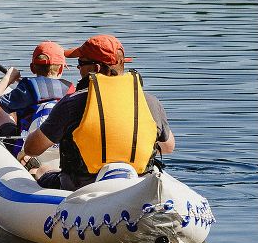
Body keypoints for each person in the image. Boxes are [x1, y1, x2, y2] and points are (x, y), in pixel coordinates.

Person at [23, 34, 175, 191]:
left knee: (42, 170)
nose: (79, 69)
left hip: (82, 187)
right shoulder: (150, 102)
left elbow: (32, 149)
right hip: (137, 184)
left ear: (95, 69)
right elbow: (168, 146)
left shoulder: (72, 103)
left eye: (81, 64)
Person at [0, 41, 74, 159]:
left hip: (25, 147)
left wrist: (8, 78)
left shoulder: (27, 89)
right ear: (60, 69)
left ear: (32, 68)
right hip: (59, 149)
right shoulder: (70, 89)